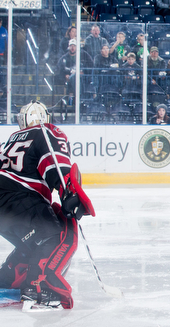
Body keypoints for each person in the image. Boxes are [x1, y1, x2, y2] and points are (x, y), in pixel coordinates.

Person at [0, 102, 94, 310]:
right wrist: (66, 192)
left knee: (31, 242)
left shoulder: (10, 140)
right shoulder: (46, 131)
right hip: (18, 197)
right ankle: (39, 289)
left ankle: (6, 279)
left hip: (5, 201)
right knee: (56, 236)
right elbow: (55, 163)